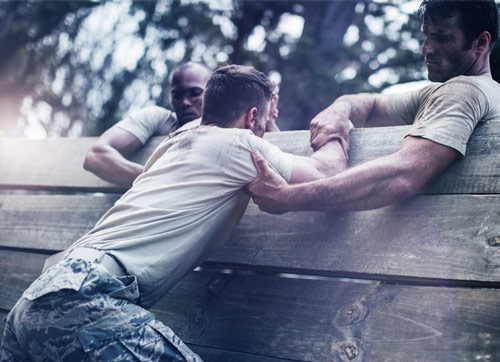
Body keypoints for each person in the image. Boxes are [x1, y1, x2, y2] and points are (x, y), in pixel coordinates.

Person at [0, 65, 347, 361]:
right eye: (265, 121)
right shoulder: (239, 143)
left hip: (36, 301)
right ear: (252, 117)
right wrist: (337, 129)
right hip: (85, 300)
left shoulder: (170, 147)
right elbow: (326, 175)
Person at [247, 0, 500, 214]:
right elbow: (373, 105)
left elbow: (403, 175)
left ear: (480, 42)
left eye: (442, 38)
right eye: (426, 35)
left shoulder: (464, 92)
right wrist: (341, 108)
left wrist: (289, 197)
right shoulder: (465, 91)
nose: (426, 49)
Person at [83, 62, 281, 186]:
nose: (185, 102)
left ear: (213, 92)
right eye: (177, 95)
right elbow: (95, 156)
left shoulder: (233, 130)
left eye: (195, 93)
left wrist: (268, 121)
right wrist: (157, 179)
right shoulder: (159, 118)